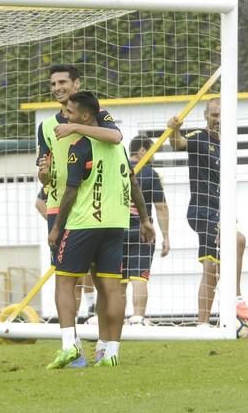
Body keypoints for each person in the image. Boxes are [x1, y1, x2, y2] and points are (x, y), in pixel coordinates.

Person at [46, 92, 155, 369]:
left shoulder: (80, 147)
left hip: (84, 223)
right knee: (111, 289)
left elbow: (70, 191)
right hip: (116, 224)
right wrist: (144, 219)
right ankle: (110, 351)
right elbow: (132, 184)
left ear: (84, 116)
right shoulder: (118, 147)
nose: (65, 116)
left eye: (69, 113)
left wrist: (57, 227)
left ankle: (69, 345)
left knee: (64, 282)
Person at [36, 65, 122, 366]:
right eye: (53, 83)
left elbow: (115, 136)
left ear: (76, 84)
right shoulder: (46, 127)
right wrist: (43, 176)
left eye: (63, 82)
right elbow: (45, 175)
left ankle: (103, 345)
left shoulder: (97, 115)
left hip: (92, 209)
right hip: (60, 205)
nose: (57, 87)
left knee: (102, 281)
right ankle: (73, 349)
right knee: (68, 280)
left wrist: (75, 127)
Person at [168, 98, 248, 325]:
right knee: (238, 240)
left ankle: (203, 323)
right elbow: (178, 144)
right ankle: (236, 299)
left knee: (211, 267)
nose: (219, 120)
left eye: (222, 115)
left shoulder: (229, 145)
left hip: (221, 213)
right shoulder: (199, 137)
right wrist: (173, 130)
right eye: (215, 115)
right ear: (207, 116)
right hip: (201, 210)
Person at [124, 135, 170, 325]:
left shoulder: (118, 168)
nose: (153, 156)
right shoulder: (151, 174)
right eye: (152, 151)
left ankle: (114, 320)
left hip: (116, 233)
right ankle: (137, 319)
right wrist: (166, 237)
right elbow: (161, 207)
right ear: (142, 150)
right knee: (139, 277)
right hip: (143, 232)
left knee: (117, 280)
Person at [35, 186, 96, 318]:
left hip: (79, 228)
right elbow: (39, 203)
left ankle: (87, 310)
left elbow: (39, 203)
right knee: (75, 277)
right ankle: (83, 312)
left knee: (78, 275)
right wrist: (56, 221)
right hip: (73, 229)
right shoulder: (56, 180)